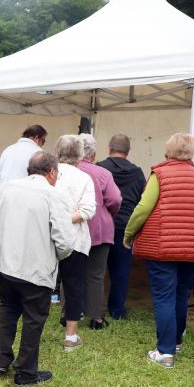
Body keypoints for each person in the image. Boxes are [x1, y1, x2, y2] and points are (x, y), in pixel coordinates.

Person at [125, 133, 194, 368]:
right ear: (192, 153)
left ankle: (165, 352)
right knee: (181, 292)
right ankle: (175, 341)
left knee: (164, 296)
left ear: (168, 152)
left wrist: (129, 235)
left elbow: (143, 208)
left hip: (162, 246)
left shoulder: (160, 174)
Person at [0, 151, 74, 386]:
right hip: (35, 269)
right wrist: (52, 258)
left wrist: (1, 250)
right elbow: (64, 241)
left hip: (6, 266)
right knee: (33, 319)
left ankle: (2, 359)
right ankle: (26, 372)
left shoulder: (8, 188)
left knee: (8, 310)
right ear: (52, 172)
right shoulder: (54, 195)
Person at [97, 134, 147, 319]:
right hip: (125, 225)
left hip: (102, 224)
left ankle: (92, 307)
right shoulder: (138, 172)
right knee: (121, 271)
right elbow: (143, 197)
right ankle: (117, 310)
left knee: (95, 270)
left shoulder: (99, 168)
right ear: (128, 151)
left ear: (109, 147)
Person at [54, 135, 96, 352]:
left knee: (41, 285)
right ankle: (71, 337)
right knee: (74, 286)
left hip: (48, 236)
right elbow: (88, 210)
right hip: (75, 239)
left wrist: (56, 221)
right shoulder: (84, 178)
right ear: (81, 155)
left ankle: (35, 326)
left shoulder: (49, 174)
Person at [76, 134, 121, 330]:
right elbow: (115, 199)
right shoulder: (103, 173)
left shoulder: (66, 171)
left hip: (73, 226)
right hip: (100, 227)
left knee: (71, 272)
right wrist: (105, 211)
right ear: (93, 153)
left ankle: (69, 312)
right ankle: (95, 318)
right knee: (96, 274)